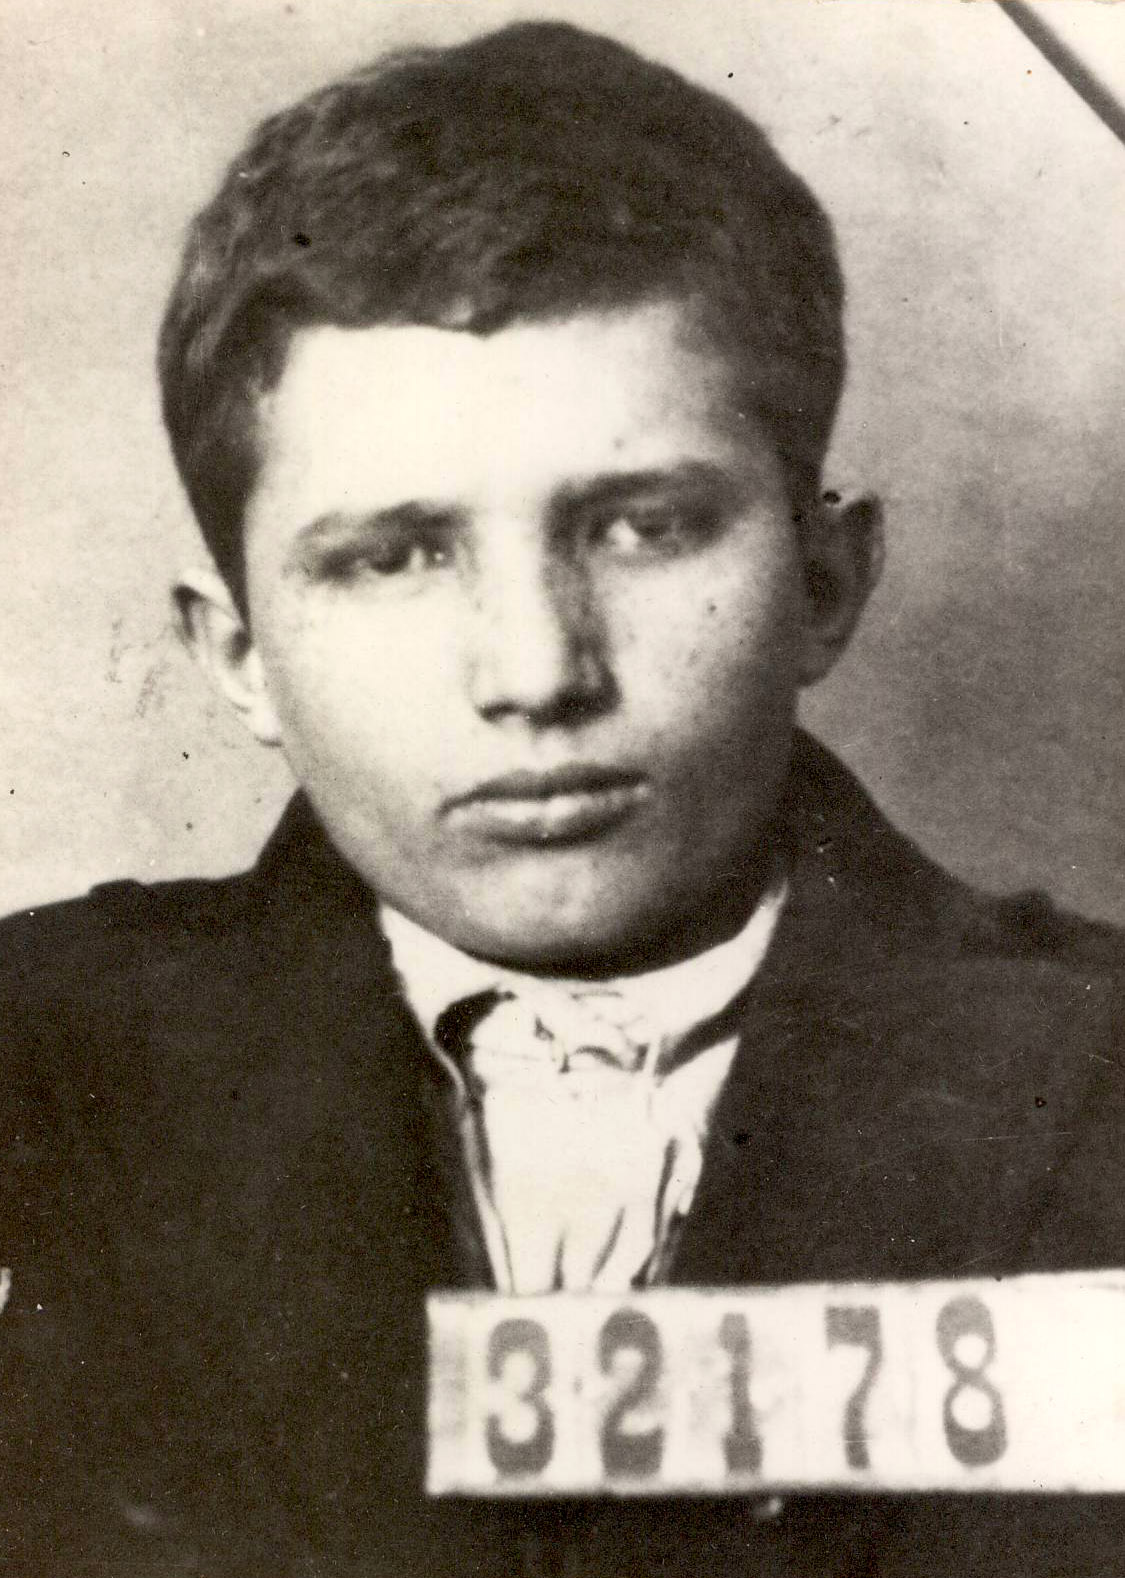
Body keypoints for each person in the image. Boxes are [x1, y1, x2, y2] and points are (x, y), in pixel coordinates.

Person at [1, 19, 1122, 1577]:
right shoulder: (35, 1073)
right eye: (393, 556)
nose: (535, 672)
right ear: (238, 653)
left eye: (642, 527)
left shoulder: (1097, 1074)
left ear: (822, 577)